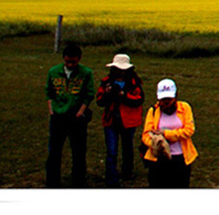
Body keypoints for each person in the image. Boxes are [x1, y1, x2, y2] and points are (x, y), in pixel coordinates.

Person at [45, 43, 95, 188]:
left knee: (78, 152)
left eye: (73, 62)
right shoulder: (53, 72)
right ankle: (52, 182)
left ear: (79, 59)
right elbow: (49, 92)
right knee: (54, 152)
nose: (70, 64)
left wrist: (81, 111)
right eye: (67, 61)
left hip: (76, 116)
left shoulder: (86, 73)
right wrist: (51, 109)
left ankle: (78, 181)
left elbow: (89, 94)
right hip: (58, 116)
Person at [96, 53, 145, 187]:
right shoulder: (106, 81)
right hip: (111, 120)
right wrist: (107, 94)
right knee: (111, 150)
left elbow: (139, 100)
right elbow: (99, 101)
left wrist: (123, 96)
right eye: (118, 69)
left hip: (128, 121)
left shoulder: (134, 82)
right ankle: (111, 176)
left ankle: (127, 172)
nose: (120, 72)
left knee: (127, 147)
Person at [142, 78, 198, 188]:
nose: (166, 102)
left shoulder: (185, 108)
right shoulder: (153, 111)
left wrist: (166, 134)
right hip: (159, 159)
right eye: (163, 99)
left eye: (169, 99)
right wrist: (156, 143)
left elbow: (189, 130)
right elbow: (146, 135)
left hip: (180, 158)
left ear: (175, 97)